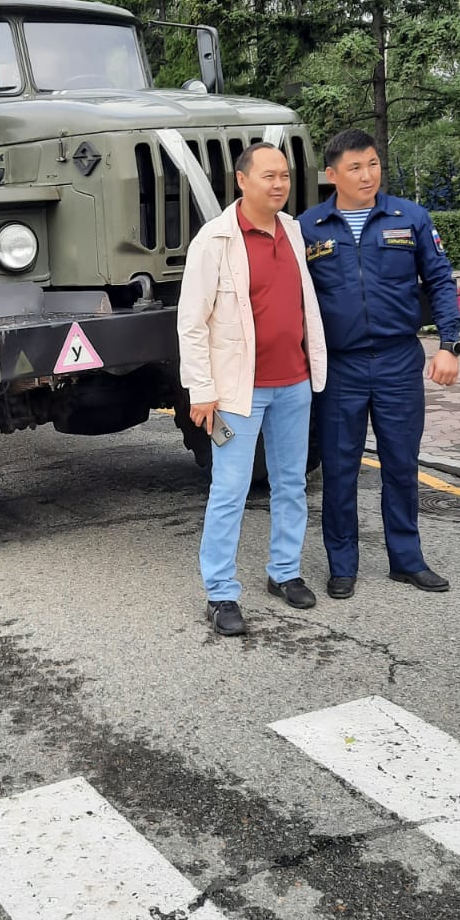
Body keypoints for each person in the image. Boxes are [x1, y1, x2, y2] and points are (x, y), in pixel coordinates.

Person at [298, 129, 460, 599]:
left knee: (400, 464)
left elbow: (440, 280)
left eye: (372, 164)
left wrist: (449, 344)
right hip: (339, 369)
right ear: (332, 175)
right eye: (354, 167)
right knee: (339, 467)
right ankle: (342, 564)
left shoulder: (409, 217)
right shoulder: (307, 228)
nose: (367, 174)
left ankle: (406, 560)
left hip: (397, 362)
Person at [177, 144, 327, 637]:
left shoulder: (293, 230)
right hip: (237, 394)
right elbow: (192, 323)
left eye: (284, 175)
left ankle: (284, 572)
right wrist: (201, 390)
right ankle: (220, 592)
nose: (279, 184)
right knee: (230, 489)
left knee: (291, 484)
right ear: (242, 181)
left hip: (294, 385)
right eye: (268, 176)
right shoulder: (215, 239)